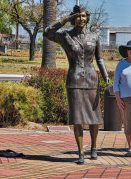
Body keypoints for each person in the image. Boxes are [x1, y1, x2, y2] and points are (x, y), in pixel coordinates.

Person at [43, 5, 109, 164]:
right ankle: (80, 152)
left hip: (92, 80)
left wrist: (106, 75)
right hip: (74, 80)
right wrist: (64, 19)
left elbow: (99, 59)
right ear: (73, 19)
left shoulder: (94, 36)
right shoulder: (66, 36)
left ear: (88, 18)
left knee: (94, 118)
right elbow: (47, 32)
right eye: (78, 16)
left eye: (84, 16)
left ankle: (93, 148)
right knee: (78, 118)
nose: (82, 19)